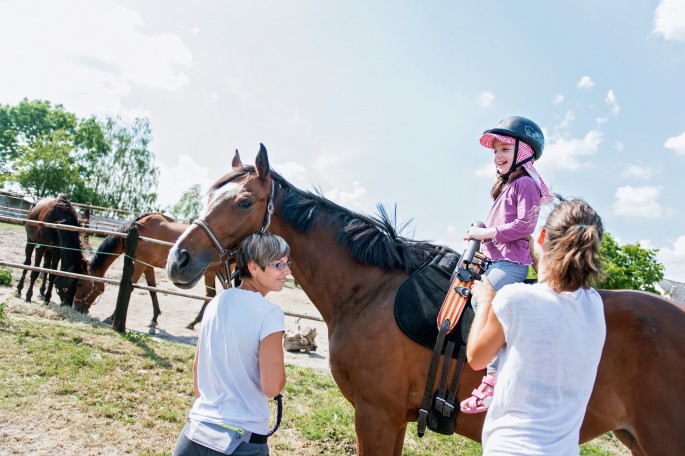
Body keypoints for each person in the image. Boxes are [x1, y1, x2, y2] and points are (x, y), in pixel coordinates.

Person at [467, 197, 606, 455]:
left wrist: (486, 301)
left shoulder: (514, 299)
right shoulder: (594, 305)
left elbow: (476, 357)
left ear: (540, 236)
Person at [460, 115, 552, 414]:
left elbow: (525, 225)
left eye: (504, 150)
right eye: (495, 151)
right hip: (495, 259)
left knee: (485, 302)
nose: (497, 157)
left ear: (522, 153)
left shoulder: (525, 184)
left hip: (510, 265)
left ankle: (493, 380)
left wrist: (486, 232)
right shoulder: (507, 186)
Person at [173, 232, 291, 456]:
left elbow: (198, 376)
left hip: (195, 434)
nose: (288, 271)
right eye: (279, 265)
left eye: (287, 264)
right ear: (254, 267)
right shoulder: (270, 314)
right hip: (243, 442)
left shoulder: (216, 302)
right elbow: (272, 387)